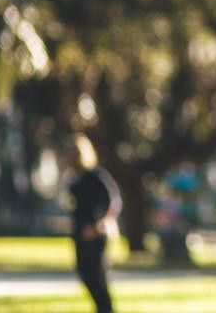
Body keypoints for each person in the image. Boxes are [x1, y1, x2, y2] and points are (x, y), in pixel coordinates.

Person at [62, 134, 121, 313]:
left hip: (96, 236)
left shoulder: (96, 176)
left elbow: (114, 202)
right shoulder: (73, 180)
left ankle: (106, 310)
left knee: (97, 278)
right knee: (84, 273)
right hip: (79, 236)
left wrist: (99, 226)